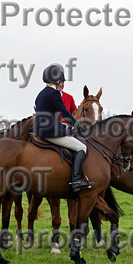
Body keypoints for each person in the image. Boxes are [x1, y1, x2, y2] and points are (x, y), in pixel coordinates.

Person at [33, 65, 93, 193]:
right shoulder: (54, 93)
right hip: (50, 132)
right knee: (81, 147)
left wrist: (65, 127)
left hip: (39, 130)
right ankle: (76, 180)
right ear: (58, 80)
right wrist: (80, 128)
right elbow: (65, 113)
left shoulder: (41, 94)